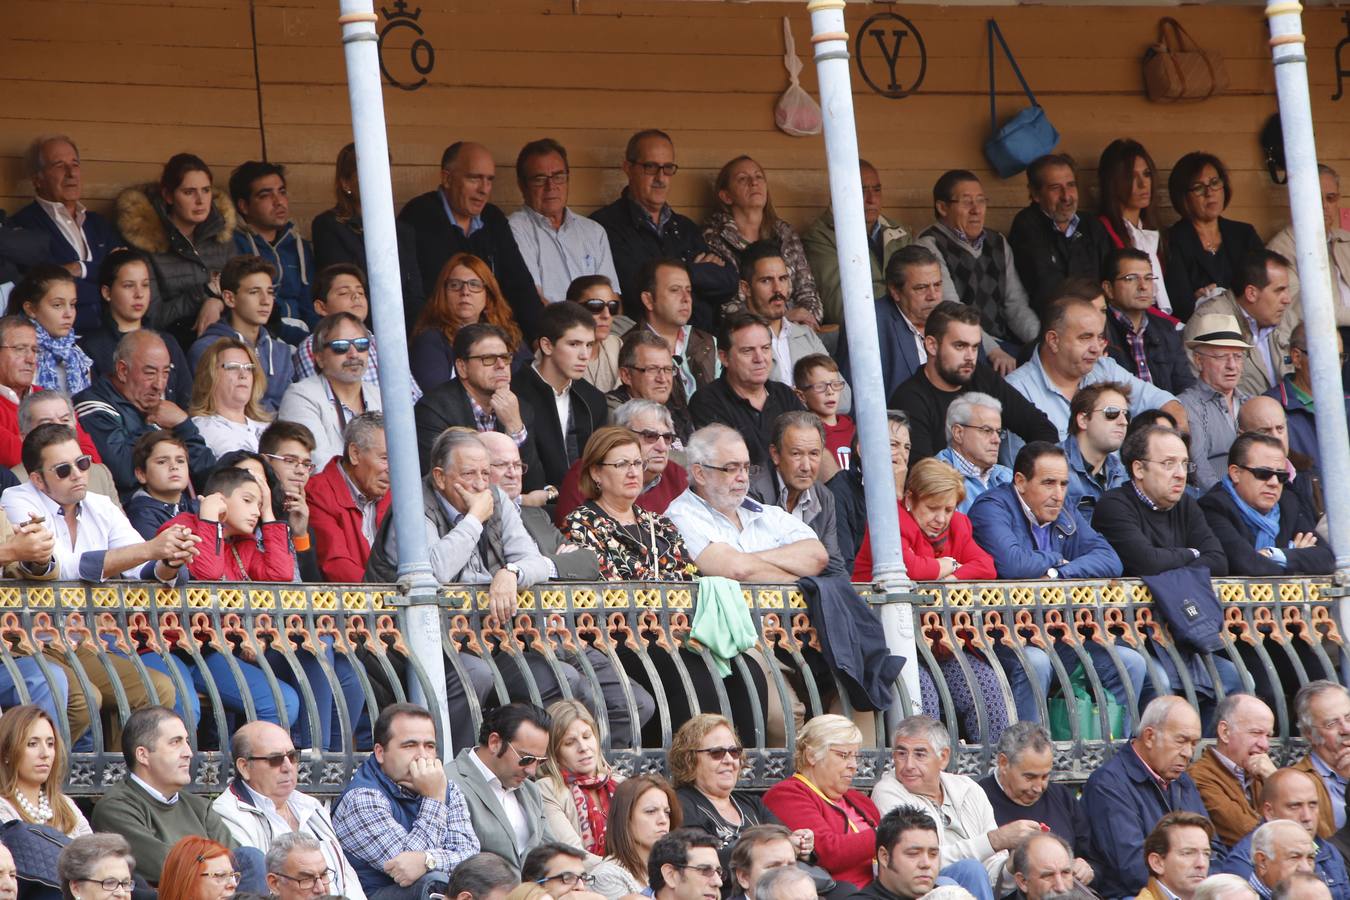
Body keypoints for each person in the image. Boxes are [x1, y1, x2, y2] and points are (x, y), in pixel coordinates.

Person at [969, 444, 1141, 722]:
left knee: (1130, 663)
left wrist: (1058, 574)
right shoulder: (992, 507)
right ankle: (1028, 754)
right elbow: (1013, 564)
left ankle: (1116, 754)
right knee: (1035, 662)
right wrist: (1054, 558)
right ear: (1021, 482)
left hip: (1059, 633)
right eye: (1049, 483)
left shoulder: (1062, 509)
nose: (1058, 494)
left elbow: (1110, 559)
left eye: (1063, 484)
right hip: (1004, 634)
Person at [2, 423, 199, 583]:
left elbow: (141, 569)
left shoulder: (101, 505)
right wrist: (149, 549)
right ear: (37, 480)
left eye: (82, 463)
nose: (78, 474)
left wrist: (170, 562)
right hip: (36, 626)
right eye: (63, 470)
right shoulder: (17, 498)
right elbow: (62, 569)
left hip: (100, 625)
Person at [872, 715, 1036, 897]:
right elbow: (918, 862)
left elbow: (992, 877)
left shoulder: (969, 789)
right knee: (970, 870)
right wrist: (993, 841)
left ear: (943, 757)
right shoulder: (887, 792)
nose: (908, 765)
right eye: (901, 754)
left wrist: (1013, 864)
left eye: (919, 754)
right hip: (920, 890)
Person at [590, 129, 737, 328]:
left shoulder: (684, 227)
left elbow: (728, 282)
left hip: (700, 343)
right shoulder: (604, 226)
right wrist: (696, 272)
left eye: (668, 168)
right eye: (651, 167)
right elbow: (634, 289)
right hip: (645, 344)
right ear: (628, 168)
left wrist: (675, 277)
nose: (661, 177)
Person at [333, 703, 480, 900]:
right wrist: (433, 798)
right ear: (380, 752)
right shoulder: (362, 798)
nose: (422, 756)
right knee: (433, 883)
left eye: (429, 746)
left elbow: (470, 857)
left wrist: (428, 860)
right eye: (409, 745)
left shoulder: (446, 787)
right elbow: (404, 867)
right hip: (376, 896)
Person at [398, 142, 541, 339]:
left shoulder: (493, 218)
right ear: (447, 178)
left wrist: (540, 338)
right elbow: (414, 297)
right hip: (439, 337)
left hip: (494, 334)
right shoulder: (419, 216)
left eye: (489, 180)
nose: (484, 189)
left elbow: (520, 284)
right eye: (475, 178)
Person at [90, 707, 245, 884]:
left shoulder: (201, 808)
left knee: (250, 857)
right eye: (175, 742)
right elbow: (168, 866)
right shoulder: (115, 808)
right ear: (143, 755)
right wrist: (218, 869)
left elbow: (237, 862)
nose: (188, 753)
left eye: (186, 741)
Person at [1079, 697, 1214, 900]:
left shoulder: (1182, 780)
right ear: (1150, 736)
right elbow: (1133, 867)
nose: (1188, 753)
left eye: (1193, 744)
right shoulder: (1108, 785)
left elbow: (1215, 848)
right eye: (1181, 741)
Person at [212, 721, 365, 900]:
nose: (288, 767)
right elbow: (257, 890)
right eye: (275, 760)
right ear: (244, 767)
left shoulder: (311, 805)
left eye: (292, 756)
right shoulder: (228, 814)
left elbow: (346, 878)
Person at [1006, 287, 1185, 440]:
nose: (1096, 348)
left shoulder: (1105, 368)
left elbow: (1167, 403)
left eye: (1099, 337)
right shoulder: (1017, 391)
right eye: (1085, 337)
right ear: (1053, 340)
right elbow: (1024, 470)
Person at [888, 302, 1057, 461]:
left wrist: (1024, 480)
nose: (970, 357)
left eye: (975, 347)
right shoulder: (909, 400)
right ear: (932, 345)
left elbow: (1042, 428)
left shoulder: (981, 376)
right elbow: (924, 476)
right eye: (960, 346)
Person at [666, 424, 827, 582]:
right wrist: (804, 583)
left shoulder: (766, 513)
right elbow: (737, 570)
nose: (743, 477)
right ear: (700, 474)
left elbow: (817, 556)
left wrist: (745, 559)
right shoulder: (679, 516)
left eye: (746, 468)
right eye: (731, 468)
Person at [915, 170, 1039, 372]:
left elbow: (1016, 305)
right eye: (966, 202)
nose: (976, 210)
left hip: (1004, 344)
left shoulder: (997, 242)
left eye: (981, 201)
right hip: (962, 348)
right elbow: (951, 309)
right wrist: (992, 350)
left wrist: (1042, 342)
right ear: (942, 207)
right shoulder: (930, 244)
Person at [74, 329, 216, 499]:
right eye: (150, 373)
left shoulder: (162, 411)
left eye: (165, 373)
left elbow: (207, 476)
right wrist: (149, 425)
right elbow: (123, 472)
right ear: (122, 371)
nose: (160, 385)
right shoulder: (93, 406)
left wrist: (183, 425)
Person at [115, 153, 237, 344]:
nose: (200, 200)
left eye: (206, 190)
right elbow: (153, 318)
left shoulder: (221, 234)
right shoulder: (147, 243)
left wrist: (217, 302)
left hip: (231, 336)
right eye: (189, 192)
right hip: (176, 344)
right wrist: (203, 293)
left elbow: (244, 292)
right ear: (168, 196)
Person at [412, 323, 546, 492]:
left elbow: (534, 485)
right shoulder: (434, 410)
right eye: (488, 359)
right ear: (462, 367)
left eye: (505, 357)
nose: (501, 365)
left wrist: (515, 427)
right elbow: (441, 485)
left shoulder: (519, 408)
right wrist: (517, 500)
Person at [670, 714, 810, 867]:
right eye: (717, 753)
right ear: (689, 759)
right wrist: (770, 847)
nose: (729, 760)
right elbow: (703, 860)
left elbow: (787, 839)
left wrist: (802, 843)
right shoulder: (682, 804)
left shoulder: (752, 804)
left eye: (734, 751)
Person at [12, 135, 119, 332]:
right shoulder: (25, 226)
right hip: (60, 341)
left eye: (75, 164)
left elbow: (121, 272)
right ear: (38, 180)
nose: (71, 173)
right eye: (59, 165)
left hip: (111, 335)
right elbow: (44, 288)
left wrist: (80, 268)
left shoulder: (99, 224)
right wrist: (107, 289)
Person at [1090, 424, 1228, 577]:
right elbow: (1148, 564)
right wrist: (1193, 553)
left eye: (1184, 464)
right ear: (1139, 469)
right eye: (1168, 463)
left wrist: (1167, 561)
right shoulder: (1114, 506)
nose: (1181, 474)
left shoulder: (1186, 504)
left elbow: (1218, 562)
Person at [562, 425, 696, 582]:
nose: (633, 473)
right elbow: (607, 589)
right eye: (622, 464)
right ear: (596, 472)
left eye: (638, 463)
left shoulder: (661, 524)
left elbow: (692, 579)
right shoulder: (581, 524)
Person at [762, 715, 878, 889]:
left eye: (856, 757)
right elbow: (828, 853)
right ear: (811, 755)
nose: (854, 765)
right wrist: (887, 835)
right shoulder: (786, 794)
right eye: (844, 755)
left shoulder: (859, 799)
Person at [310, 143, 423, 319]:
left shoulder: (403, 231)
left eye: (383, 171)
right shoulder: (329, 226)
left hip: (404, 331)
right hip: (356, 328)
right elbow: (342, 289)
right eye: (369, 172)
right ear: (346, 183)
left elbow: (415, 294)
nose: (379, 179)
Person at [703, 157, 822, 324]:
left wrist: (805, 320)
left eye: (759, 177)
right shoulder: (713, 237)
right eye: (743, 179)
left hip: (796, 329)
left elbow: (807, 291)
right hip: (744, 336)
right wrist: (780, 320)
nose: (754, 183)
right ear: (726, 196)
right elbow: (725, 305)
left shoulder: (783, 232)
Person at [1198, 432, 1333, 576]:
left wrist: (1276, 555)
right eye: (1263, 474)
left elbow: (1327, 559)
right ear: (1236, 473)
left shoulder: (1288, 503)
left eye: (1281, 476)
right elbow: (1248, 565)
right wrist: (1295, 557)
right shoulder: (1213, 507)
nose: (1274, 483)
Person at [802, 158, 913, 328]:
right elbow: (840, 308)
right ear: (836, 193)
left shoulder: (899, 232)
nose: (871, 199)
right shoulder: (820, 237)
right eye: (861, 191)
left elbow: (921, 291)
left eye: (877, 190)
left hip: (906, 326)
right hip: (862, 334)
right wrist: (904, 306)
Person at [508, 139, 620, 306]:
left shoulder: (594, 231)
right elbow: (533, 299)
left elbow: (613, 297)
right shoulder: (514, 229)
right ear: (522, 185)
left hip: (597, 327)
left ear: (568, 179)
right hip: (548, 329)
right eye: (539, 179)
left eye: (558, 176)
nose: (550, 186)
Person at [854, 456, 997, 583]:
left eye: (948, 510)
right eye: (932, 508)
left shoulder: (958, 524)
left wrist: (949, 580)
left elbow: (987, 567)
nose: (941, 519)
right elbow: (910, 569)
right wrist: (950, 565)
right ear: (910, 499)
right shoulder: (890, 519)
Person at [689, 313, 804, 469]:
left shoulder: (785, 395)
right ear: (724, 357)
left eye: (765, 348)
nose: (760, 358)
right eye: (747, 351)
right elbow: (729, 467)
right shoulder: (707, 402)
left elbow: (811, 449)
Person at [80, 247, 194, 406]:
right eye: (128, 285)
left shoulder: (167, 342)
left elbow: (188, 401)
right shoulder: (90, 348)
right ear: (107, 292)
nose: (139, 294)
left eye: (145, 285)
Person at [978, 723, 1092, 880]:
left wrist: (1087, 868)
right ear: (1004, 763)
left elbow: (1094, 858)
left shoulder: (1061, 797)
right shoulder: (978, 799)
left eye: (1045, 776)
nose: (1039, 788)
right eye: (1029, 777)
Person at [447, 704, 553, 872]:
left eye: (540, 761)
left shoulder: (531, 791)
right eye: (526, 758)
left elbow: (551, 853)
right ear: (494, 742)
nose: (532, 770)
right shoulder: (449, 783)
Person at [1216, 767, 1350, 900]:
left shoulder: (1330, 852)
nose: (1307, 816)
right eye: (1295, 806)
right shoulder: (1243, 861)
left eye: (1313, 805)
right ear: (1269, 811)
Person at [513, 301, 609, 487]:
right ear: (547, 346)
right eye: (574, 344)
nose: (584, 355)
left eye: (589, 345)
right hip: (530, 506)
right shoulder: (513, 393)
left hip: (582, 507)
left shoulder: (593, 399)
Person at [1163, 152, 1266, 322]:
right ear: (1183, 197)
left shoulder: (1244, 234)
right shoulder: (1173, 239)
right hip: (1200, 331)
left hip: (1248, 326)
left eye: (1214, 182)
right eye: (1198, 187)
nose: (1209, 192)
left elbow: (1262, 285)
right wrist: (1196, 300)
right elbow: (1179, 303)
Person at [1007, 154, 1113, 314]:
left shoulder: (1092, 225)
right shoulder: (1027, 225)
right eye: (1055, 188)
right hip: (1054, 323)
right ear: (1036, 194)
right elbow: (1045, 287)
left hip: (1098, 318)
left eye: (1071, 185)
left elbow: (1109, 277)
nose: (1066, 196)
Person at [837, 244, 944, 403]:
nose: (933, 296)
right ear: (895, 291)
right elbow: (856, 401)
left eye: (937, 285)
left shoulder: (954, 319)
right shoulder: (868, 324)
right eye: (921, 288)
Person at [1184, 250, 1297, 398]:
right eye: (1279, 291)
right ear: (1251, 293)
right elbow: (1204, 394)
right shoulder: (1210, 320)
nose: (1287, 299)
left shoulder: (1285, 316)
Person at [276, 312, 382, 471]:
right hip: (330, 494)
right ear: (319, 358)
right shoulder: (300, 396)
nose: (353, 354)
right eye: (341, 346)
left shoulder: (380, 396)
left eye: (361, 344)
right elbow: (319, 467)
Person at [555, 399, 688, 523]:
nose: (662, 447)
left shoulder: (678, 476)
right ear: (622, 434)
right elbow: (571, 535)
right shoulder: (589, 472)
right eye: (650, 436)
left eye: (667, 437)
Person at [189, 254, 293, 413]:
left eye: (270, 292)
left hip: (279, 434)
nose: (266, 300)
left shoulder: (281, 352)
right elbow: (206, 410)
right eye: (254, 292)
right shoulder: (208, 349)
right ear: (230, 298)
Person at [410, 254, 526, 393]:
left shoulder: (508, 333)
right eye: (455, 285)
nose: (465, 292)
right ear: (443, 294)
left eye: (474, 285)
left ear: (488, 295)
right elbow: (440, 398)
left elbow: (528, 383)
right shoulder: (430, 340)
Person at [737, 242, 837, 401]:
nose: (778, 289)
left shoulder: (806, 334)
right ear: (745, 288)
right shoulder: (737, 340)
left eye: (783, 279)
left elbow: (844, 398)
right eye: (766, 281)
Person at [0, 314, 101, 470]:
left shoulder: (49, 399)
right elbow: (16, 457)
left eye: (35, 350)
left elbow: (92, 458)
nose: (31, 359)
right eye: (20, 349)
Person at [228, 161, 314, 344]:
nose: (278, 201)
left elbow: (310, 304)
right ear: (243, 206)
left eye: (282, 192)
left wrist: (317, 339)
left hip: (303, 338)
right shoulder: (234, 245)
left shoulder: (298, 245)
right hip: (262, 338)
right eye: (265, 195)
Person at [159, 466, 294, 582]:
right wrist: (210, 517)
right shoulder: (182, 528)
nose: (257, 513)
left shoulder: (244, 544)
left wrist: (268, 512)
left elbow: (281, 575)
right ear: (219, 498)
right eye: (247, 500)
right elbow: (208, 574)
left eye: (259, 506)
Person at [749, 411, 843, 572]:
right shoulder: (753, 491)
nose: (806, 466)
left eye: (814, 454)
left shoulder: (824, 497)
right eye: (796, 454)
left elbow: (833, 566)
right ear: (775, 455)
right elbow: (752, 562)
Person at [536, 700, 625, 866]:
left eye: (587, 736)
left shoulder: (620, 784)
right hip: (585, 882)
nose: (583, 747)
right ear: (555, 752)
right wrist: (626, 869)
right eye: (569, 743)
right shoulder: (547, 789)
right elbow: (574, 855)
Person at [304, 412, 390, 582]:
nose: (393, 468)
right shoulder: (317, 493)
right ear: (355, 453)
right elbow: (336, 565)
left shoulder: (399, 495)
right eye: (385, 458)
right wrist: (385, 600)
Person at [1184, 694, 1277, 847]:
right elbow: (1251, 836)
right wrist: (1276, 784)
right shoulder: (1200, 777)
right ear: (1225, 732)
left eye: (1268, 735)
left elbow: (1305, 827)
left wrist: (1274, 779)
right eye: (1256, 733)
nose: (1265, 745)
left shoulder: (1262, 773)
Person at [1267, 164, 1350, 330]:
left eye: (1331, 198)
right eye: (1316, 198)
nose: (1325, 206)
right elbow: (1297, 312)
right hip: (1321, 336)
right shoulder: (1281, 249)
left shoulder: (1345, 238)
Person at [1096, 138, 1173, 315]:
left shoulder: (1153, 231)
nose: (1143, 184)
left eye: (1146, 174)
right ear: (1113, 182)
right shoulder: (1102, 230)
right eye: (1131, 176)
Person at [1101, 247, 1195, 394]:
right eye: (1131, 278)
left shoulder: (1166, 329)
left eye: (1148, 278)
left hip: (1167, 414)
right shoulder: (1098, 331)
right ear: (1108, 289)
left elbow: (1186, 386)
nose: (1143, 286)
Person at [1177, 314, 1254, 489]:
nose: (1232, 365)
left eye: (1237, 356)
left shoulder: (1250, 403)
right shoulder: (1187, 406)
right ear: (1198, 360)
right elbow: (1199, 468)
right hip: (1216, 504)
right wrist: (1230, 502)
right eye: (1221, 357)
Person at [12, 389, 121, 507]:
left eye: (65, 420)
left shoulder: (100, 474)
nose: (59, 427)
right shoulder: (13, 481)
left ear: (75, 425)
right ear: (24, 436)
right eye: (46, 423)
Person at [1265, 324, 1350, 472]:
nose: (1336, 366)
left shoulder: (1347, 403)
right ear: (1297, 358)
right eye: (1327, 357)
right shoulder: (1271, 407)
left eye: (1339, 357)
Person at [0, 704, 92, 837]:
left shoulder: (66, 805)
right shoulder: (3, 808)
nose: (45, 753)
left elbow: (94, 854)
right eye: (32, 744)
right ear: (7, 752)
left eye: (50, 744)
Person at [638, 259, 719, 408]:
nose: (686, 298)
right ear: (648, 300)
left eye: (688, 290)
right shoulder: (630, 347)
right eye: (675, 290)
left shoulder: (708, 341)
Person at [589, 775, 680, 900]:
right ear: (625, 819)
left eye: (667, 812)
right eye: (650, 811)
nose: (663, 820)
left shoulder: (675, 868)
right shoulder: (606, 876)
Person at [8, 265, 93, 393]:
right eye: (57, 305)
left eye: (72, 304)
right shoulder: (12, 353)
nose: (68, 314)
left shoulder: (78, 355)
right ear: (31, 309)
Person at [604, 329, 693, 448]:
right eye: (652, 369)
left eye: (667, 369)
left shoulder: (679, 412)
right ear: (626, 375)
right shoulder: (614, 411)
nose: (662, 379)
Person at [189, 339, 273, 455]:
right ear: (209, 376)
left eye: (248, 368)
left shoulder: (269, 429)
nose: (243, 375)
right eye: (233, 367)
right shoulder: (199, 428)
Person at [1290, 680, 1350, 838]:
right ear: (1309, 734)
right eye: (1332, 723)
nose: (1346, 729)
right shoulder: (1298, 782)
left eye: (1349, 717)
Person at [1062, 382, 1131, 515]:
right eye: (1112, 412)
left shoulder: (1124, 474)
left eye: (1126, 414)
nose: (1124, 422)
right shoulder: (1051, 466)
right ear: (1083, 420)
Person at [936, 393, 1011, 512]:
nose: (997, 440)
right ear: (958, 433)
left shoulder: (1008, 476)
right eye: (987, 430)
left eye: (998, 432)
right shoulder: (937, 478)